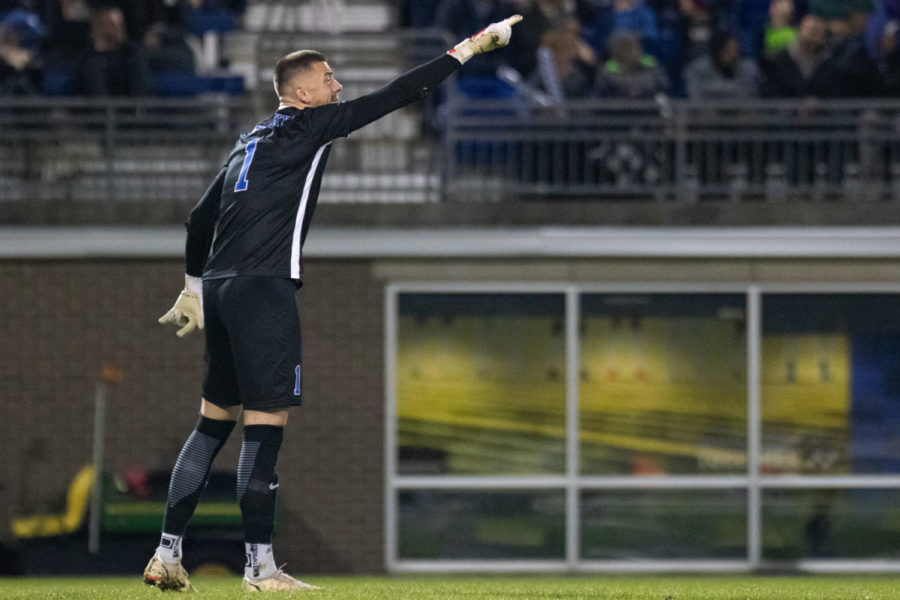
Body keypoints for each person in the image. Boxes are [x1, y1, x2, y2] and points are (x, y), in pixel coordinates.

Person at [144, 14, 523, 594]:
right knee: (263, 428)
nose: (336, 85)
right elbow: (400, 94)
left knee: (210, 424)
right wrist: (471, 47)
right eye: (327, 77)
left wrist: (194, 286)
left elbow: (200, 219)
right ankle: (260, 570)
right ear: (302, 92)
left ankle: (167, 554)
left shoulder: (247, 141)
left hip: (221, 286)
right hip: (265, 288)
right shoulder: (307, 128)